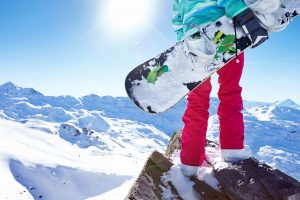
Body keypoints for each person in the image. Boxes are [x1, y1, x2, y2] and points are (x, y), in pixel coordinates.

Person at [172, 0, 280, 177]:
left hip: (192, 40)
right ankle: (233, 149)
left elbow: (177, 19)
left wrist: (182, 44)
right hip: (223, 30)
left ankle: (190, 161)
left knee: (196, 101)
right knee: (230, 91)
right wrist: (245, 16)